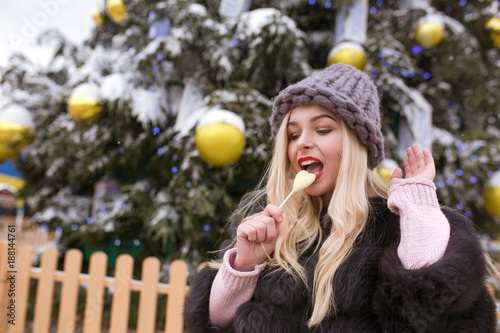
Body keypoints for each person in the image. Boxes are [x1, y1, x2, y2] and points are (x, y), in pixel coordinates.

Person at [184, 63, 497, 332]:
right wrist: (244, 264)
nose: (303, 143)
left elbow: (433, 310)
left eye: (322, 130)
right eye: (293, 134)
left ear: (357, 145)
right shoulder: (264, 217)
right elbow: (217, 322)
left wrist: (418, 207)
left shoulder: (395, 223)